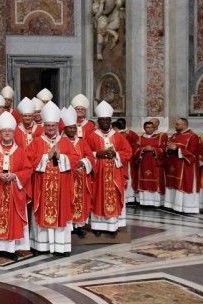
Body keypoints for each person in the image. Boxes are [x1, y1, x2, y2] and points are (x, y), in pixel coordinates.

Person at [28, 102, 80, 256]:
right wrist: (46, 156)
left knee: (61, 212)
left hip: (62, 187)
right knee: (42, 211)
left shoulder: (65, 141)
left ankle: (61, 247)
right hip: (42, 186)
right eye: (48, 125)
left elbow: (75, 159)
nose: (51, 128)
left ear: (58, 126)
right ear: (43, 126)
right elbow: (28, 161)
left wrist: (61, 156)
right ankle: (41, 246)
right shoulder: (36, 142)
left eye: (53, 125)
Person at [0, 111, 32, 260]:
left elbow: (28, 169)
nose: (7, 133)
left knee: (12, 219)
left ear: (13, 132)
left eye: (9, 131)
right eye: (4, 131)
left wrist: (15, 176)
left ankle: (11, 249)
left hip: (14, 192)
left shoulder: (20, 151)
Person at [86, 101, 133, 233]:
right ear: (98, 121)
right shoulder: (91, 136)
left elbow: (128, 152)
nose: (105, 122)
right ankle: (97, 226)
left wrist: (116, 154)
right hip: (98, 174)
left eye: (107, 120)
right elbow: (85, 153)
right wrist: (97, 154)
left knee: (114, 197)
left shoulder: (118, 136)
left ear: (110, 121)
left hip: (115, 174)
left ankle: (113, 226)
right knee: (98, 197)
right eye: (102, 120)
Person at [61, 106, 95, 237]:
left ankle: (79, 226)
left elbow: (90, 155)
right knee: (69, 200)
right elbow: (61, 157)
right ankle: (69, 226)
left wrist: (84, 162)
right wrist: (75, 161)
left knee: (80, 200)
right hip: (67, 177)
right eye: (69, 128)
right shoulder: (60, 141)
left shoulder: (81, 142)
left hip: (81, 177)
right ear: (65, 129)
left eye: (74, 128)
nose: (72, 130)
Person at [164, 117, 201, 213]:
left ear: (184, 125)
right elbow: (169, 146)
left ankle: (186, 207)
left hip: (186, 166)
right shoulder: (174, 135)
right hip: (174, 165)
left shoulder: (192, 136)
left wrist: (176, 148)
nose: (175, 126)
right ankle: (172, 205)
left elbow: (193, 153)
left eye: (177, 124)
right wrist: (168, 149)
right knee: (173, 183)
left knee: (184, 184)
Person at [133, 119, 166, 206]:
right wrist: (143, 149)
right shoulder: (139, 139)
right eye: (147, 127)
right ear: (144, 128)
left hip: (155, 163)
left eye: (151, 127)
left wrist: (154, 149)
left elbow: (163, 150)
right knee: (143, 180)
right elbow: (135, 151)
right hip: (143, 164)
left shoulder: (158, 138)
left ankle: (155, 202)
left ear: (154, 128)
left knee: (155, 180)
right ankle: (144, 201)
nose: (150, 129)